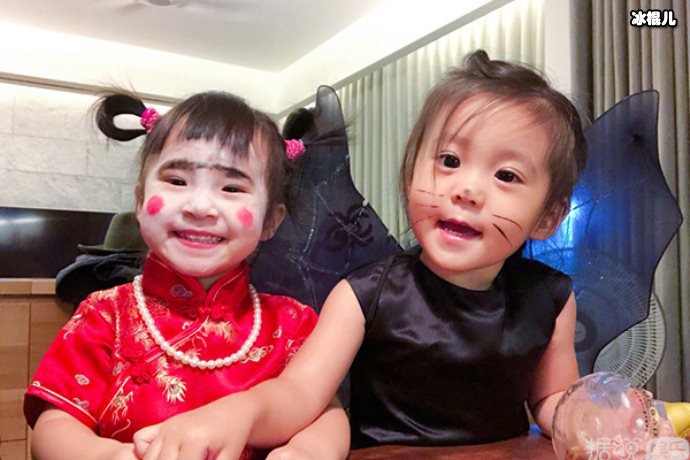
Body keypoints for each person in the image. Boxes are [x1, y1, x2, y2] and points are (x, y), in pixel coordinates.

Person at [132, 49, 588, 457]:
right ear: (410, 173)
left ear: (549, 215)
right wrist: (239, 414)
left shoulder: (549, 295)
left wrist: (588, 416)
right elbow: (300, 394)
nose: (466, 189)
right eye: (449, 161)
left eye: (506, 175)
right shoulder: (365, 292)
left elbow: (550, 397)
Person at [24, 90, 350, 460]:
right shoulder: (103, 315)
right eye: (177, 181)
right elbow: (54, 425)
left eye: (232, 187)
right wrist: (109, 456)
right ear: (140, 202)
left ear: (270, 221)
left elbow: (324, 411)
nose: (199, 206)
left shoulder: (292, 323)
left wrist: (310, 449)